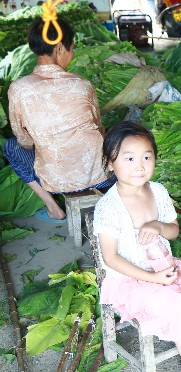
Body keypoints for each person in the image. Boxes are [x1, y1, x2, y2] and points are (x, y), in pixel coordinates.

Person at [93, 121, 181, 372]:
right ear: (110, 164)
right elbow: (111, 258)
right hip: (131, 280)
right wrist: (153, 278)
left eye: (146, 157)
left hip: (165, 266)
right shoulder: (108, 207)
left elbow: (173, 230)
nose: (139, 166)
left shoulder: (158, 191)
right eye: (129, 159)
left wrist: (158, 226)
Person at [3, 17, 114, 222]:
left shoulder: (18, 89)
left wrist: (47, 142)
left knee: (11, 146)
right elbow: (99, 129)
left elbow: (24, 141)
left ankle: (53, 206)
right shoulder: (82, 85)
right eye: (72, 48)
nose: (72, 54)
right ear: (60, 48)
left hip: (55, 182)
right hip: (100, 177)